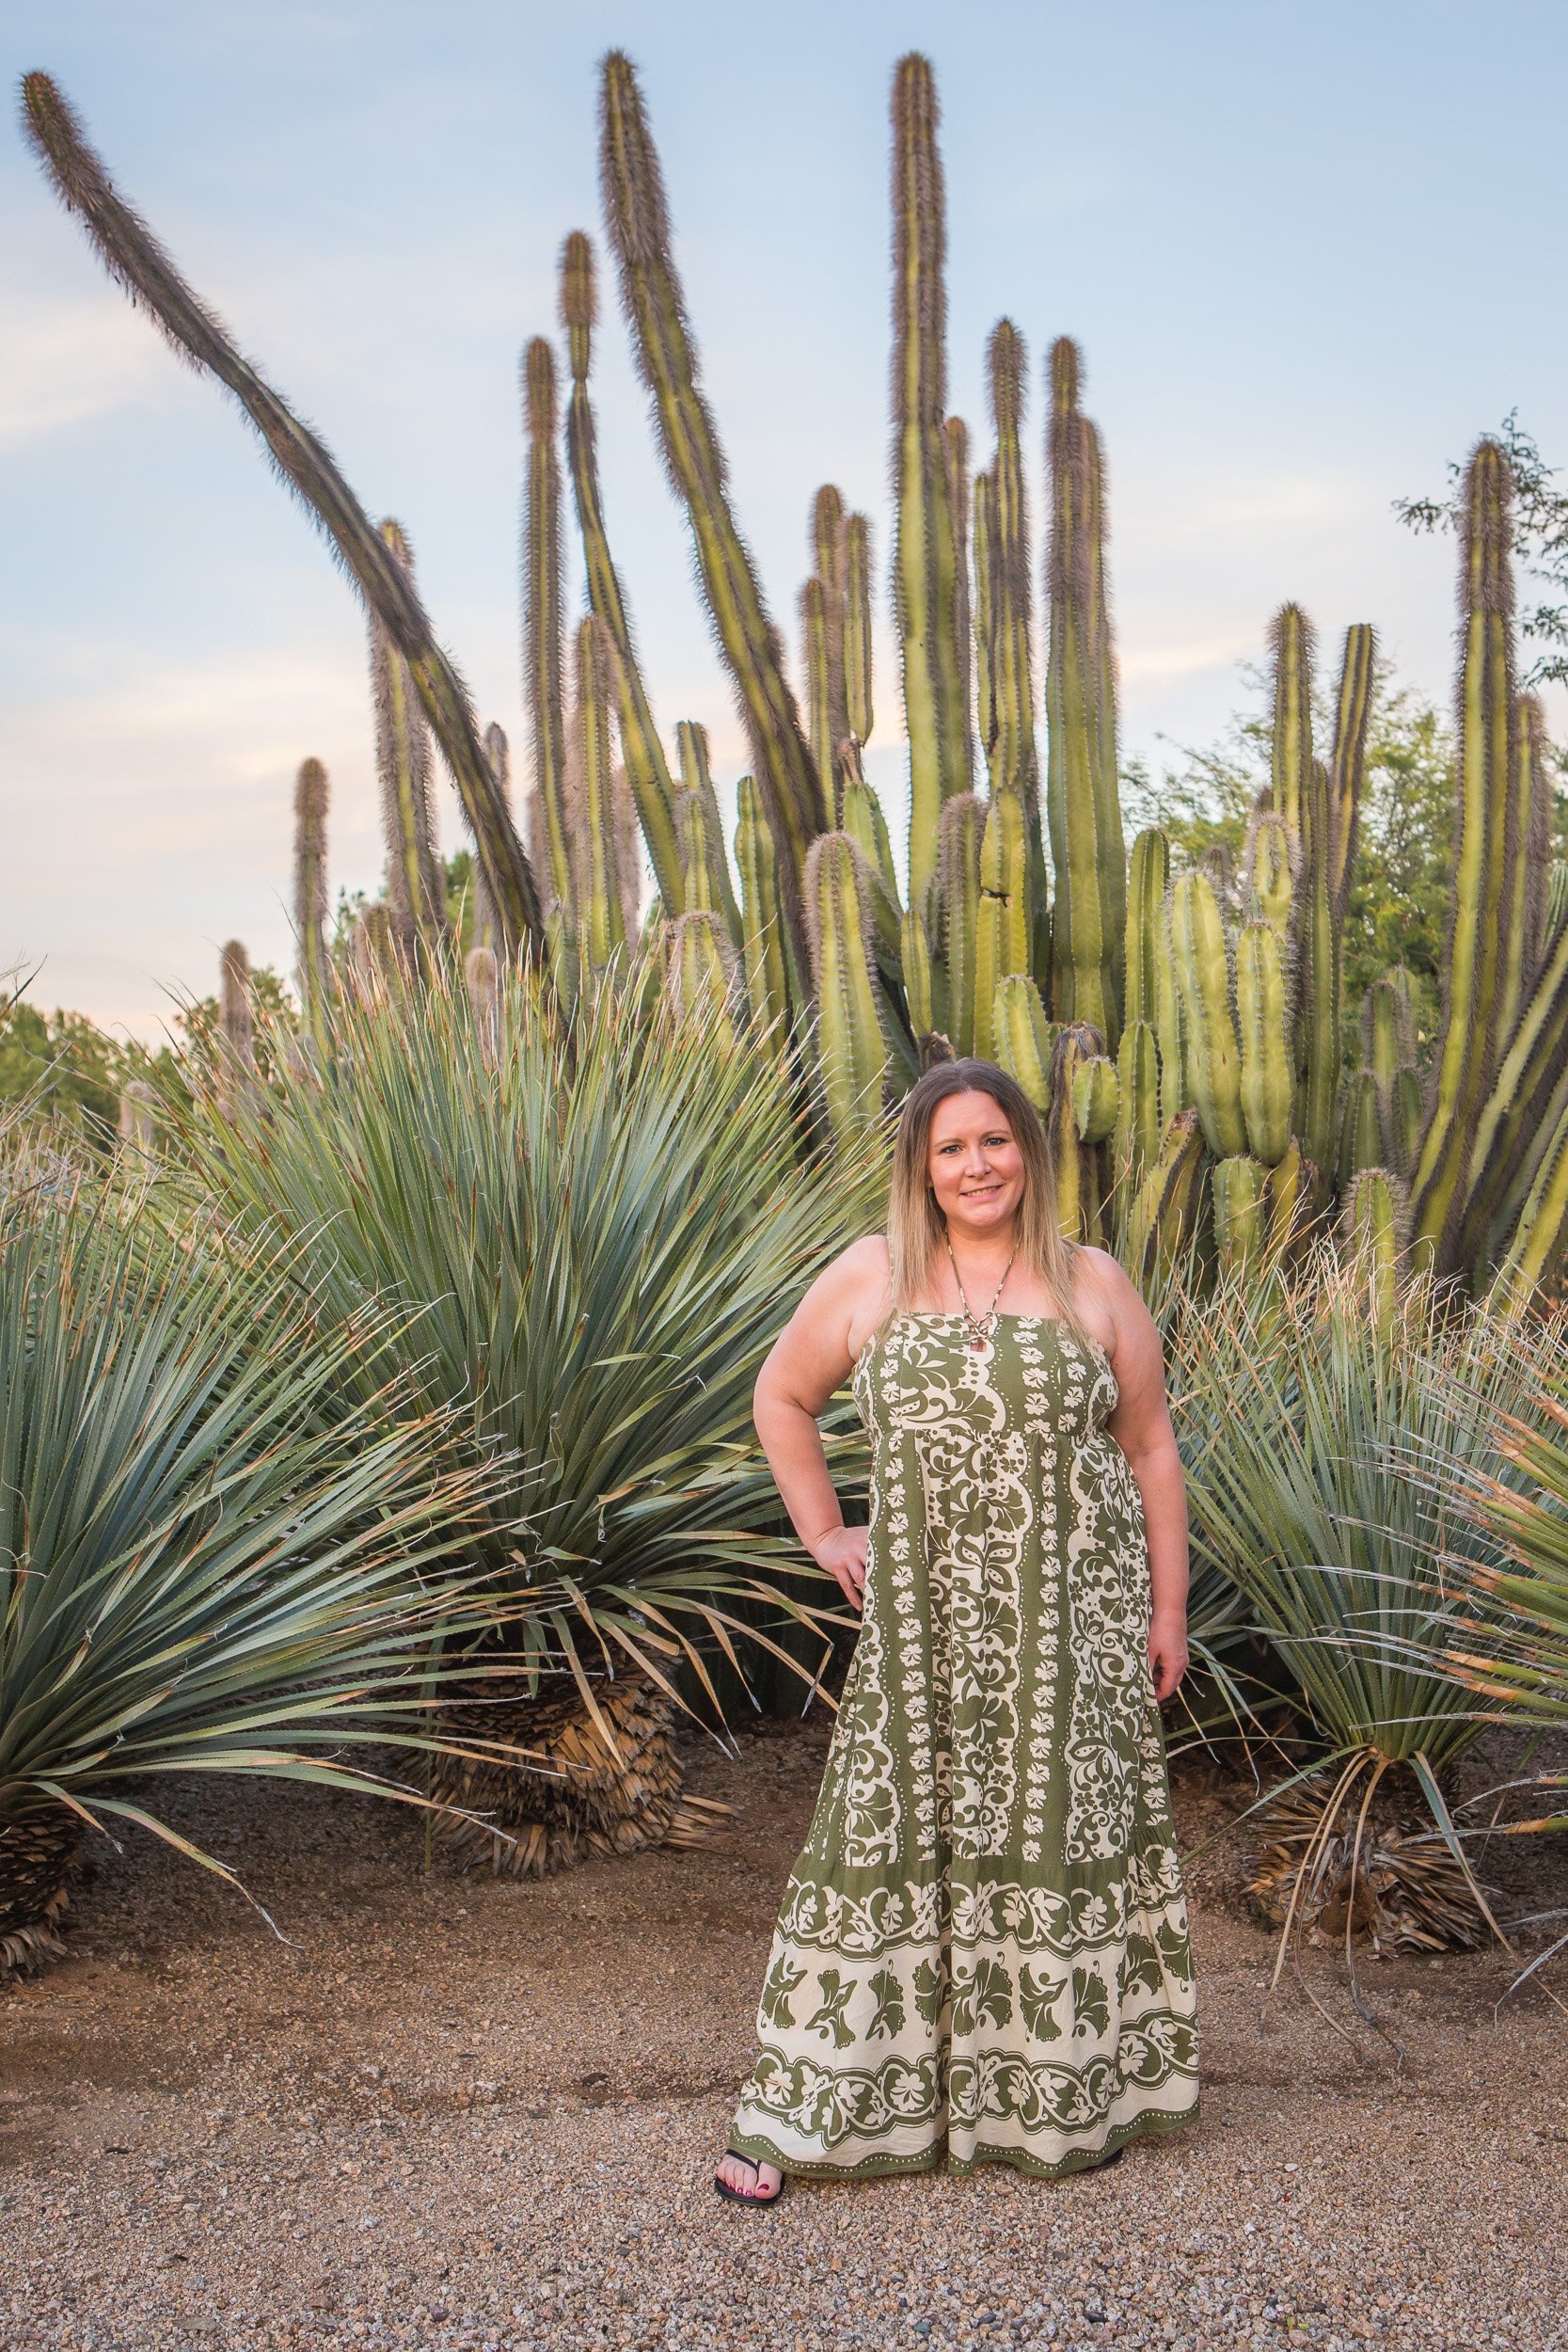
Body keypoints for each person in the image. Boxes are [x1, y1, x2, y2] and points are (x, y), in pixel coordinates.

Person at [713, 1058, 1199, 2206]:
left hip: (1068, 1622)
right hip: (921, 1624)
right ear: (919, 1168)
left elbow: (1150, 1449)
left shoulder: (1090, 1280)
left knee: (1056, 1834)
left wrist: (1166, 1607)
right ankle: (810, 2107)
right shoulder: (869, 1274)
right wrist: (825, 1527)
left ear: (1025, 1149)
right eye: (948, 1148)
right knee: (884, 1829)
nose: (973, 1164)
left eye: (992, 1140)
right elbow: (780, 1398)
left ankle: (1060, 2096)